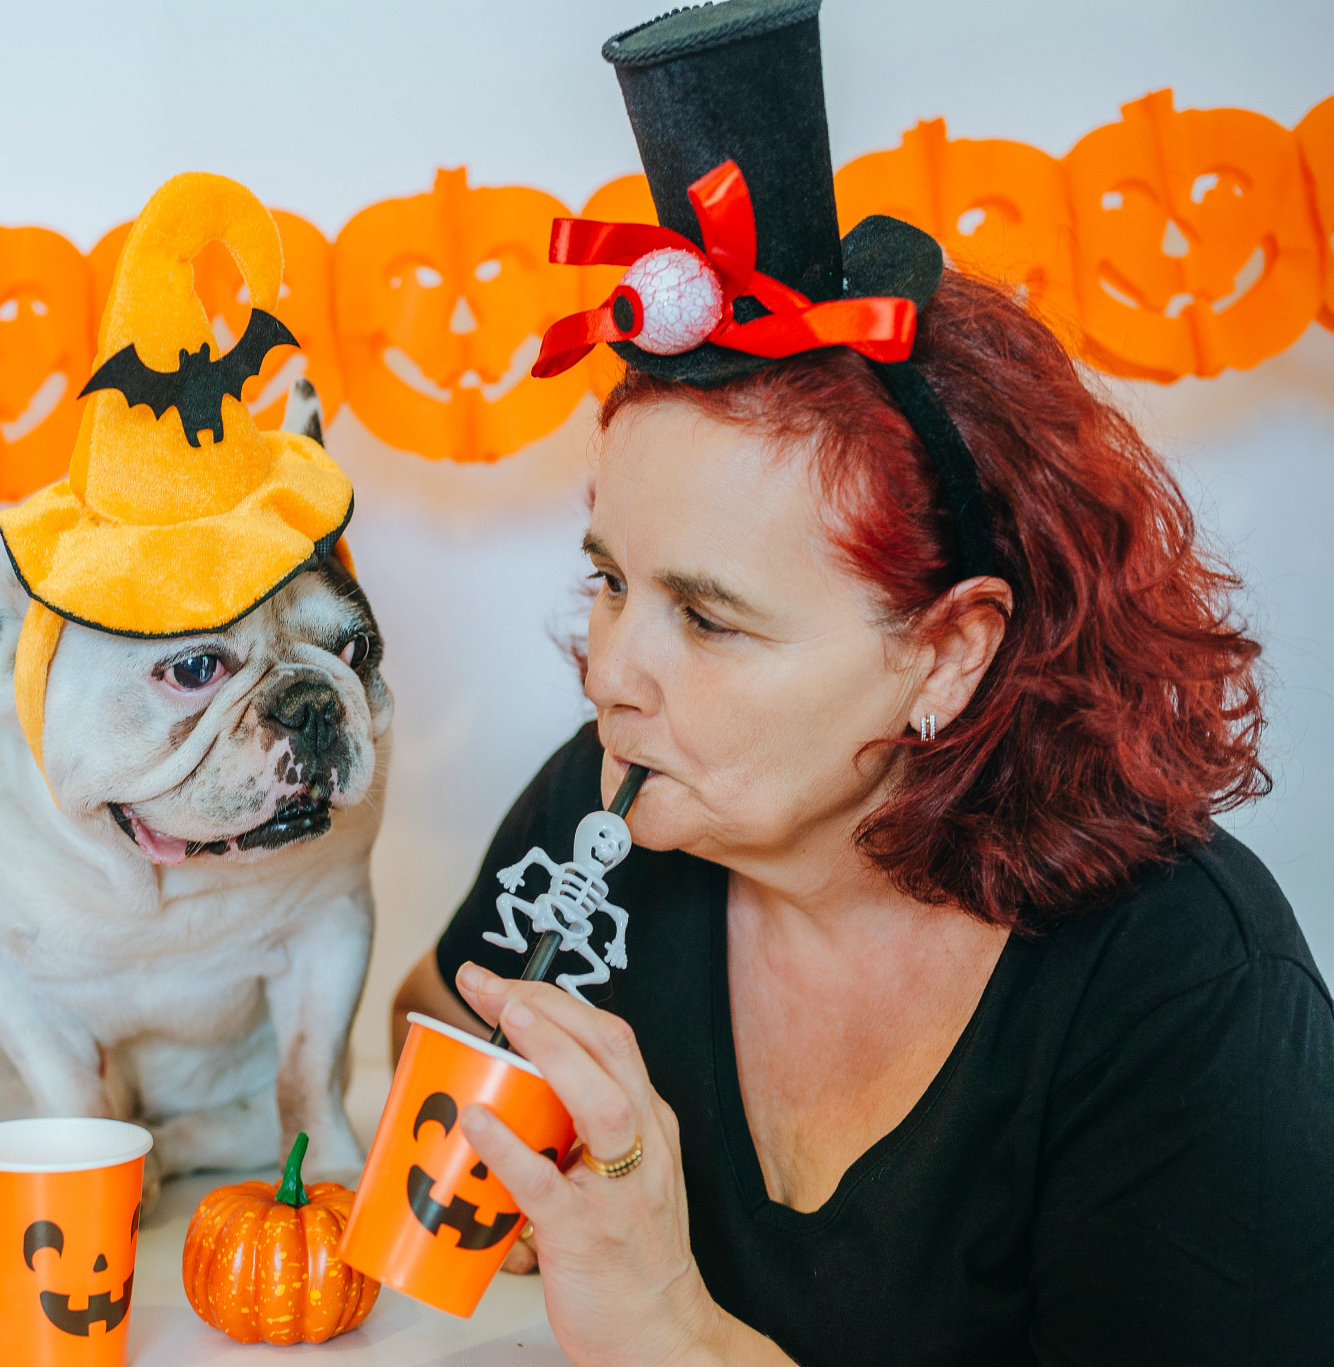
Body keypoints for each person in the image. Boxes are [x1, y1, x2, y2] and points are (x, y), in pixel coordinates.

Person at [391, 2, 1334, 1364]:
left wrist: (667, 1317)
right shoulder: (611, 811)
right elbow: (429, 1019)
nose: (613, 671)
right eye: (610, 580)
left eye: (709, 621)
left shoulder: (1178, 988)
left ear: (947, 649)